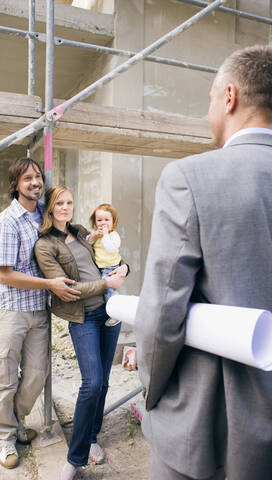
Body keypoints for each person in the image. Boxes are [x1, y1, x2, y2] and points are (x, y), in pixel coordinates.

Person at [135, 44, 272, 480]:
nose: (209, 109)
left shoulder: (190, 178)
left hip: (209, 431)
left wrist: (150, 392)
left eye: (211, 98)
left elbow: (160, 317)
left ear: (229, 97)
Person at [0, 157, 80, 470]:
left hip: (37, 308)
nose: (35, 183)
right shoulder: (7, 222)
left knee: (37, 374)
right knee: (4, 376)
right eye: (28, 178)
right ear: (16, 185)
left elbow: (65, 220)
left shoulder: (41, 213)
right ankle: (4, 437)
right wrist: (50, 283)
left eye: (38, 177)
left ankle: (14, 420)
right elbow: (5, 275)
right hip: (9, 308)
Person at [34, 185, 129, 480]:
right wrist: (106, 286)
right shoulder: (45, 245)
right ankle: (74, 460)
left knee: (104, 382)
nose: (65, 207)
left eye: (69, 202)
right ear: (50, 207)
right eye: (59, 203)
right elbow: (65, 289)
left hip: (110, 312)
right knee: (92, 381)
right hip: (83, 316)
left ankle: (91, 437)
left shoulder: (82, 232)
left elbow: (108, 261)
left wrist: (125, 268)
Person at [88, 203, 122, 326]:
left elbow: (110, 249)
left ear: (113, 222)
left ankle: (116, 312)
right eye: (99, 220)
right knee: (104, 290)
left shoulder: (113, 236)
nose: (103, 223)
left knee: (108, 289)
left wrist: (106, 235)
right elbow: (87, 243)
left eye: (107, 220)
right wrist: (93, 236)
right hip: (100, 267)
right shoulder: (97, 235)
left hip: (110, 267)